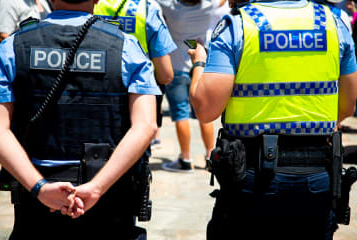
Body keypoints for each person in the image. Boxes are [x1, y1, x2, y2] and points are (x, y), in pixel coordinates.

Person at [188, 0, 357, 239]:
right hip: (317, 174)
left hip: (253, 177)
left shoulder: (238, 26)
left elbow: (206, 109)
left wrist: (199, 64)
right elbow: (347, 106)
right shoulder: (334, 24)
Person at [0, 0, 160, 239]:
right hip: (110, 198)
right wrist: (97, 188)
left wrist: (40, 188)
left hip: (37, 201)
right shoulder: (127, 47)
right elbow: (146, 126)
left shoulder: (12, 46)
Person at [94, 0, 176, 150]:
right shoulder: (146, 9)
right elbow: (165, 75)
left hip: (91, 107)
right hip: (135, 110)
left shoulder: (90, 5)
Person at [157, 0, 226, 172]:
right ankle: (210, 156)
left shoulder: (169, 6)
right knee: (204, 114)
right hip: (201, 64)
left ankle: (186, 158)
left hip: (177, 65)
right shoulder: (209, 6)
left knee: (180, 114)